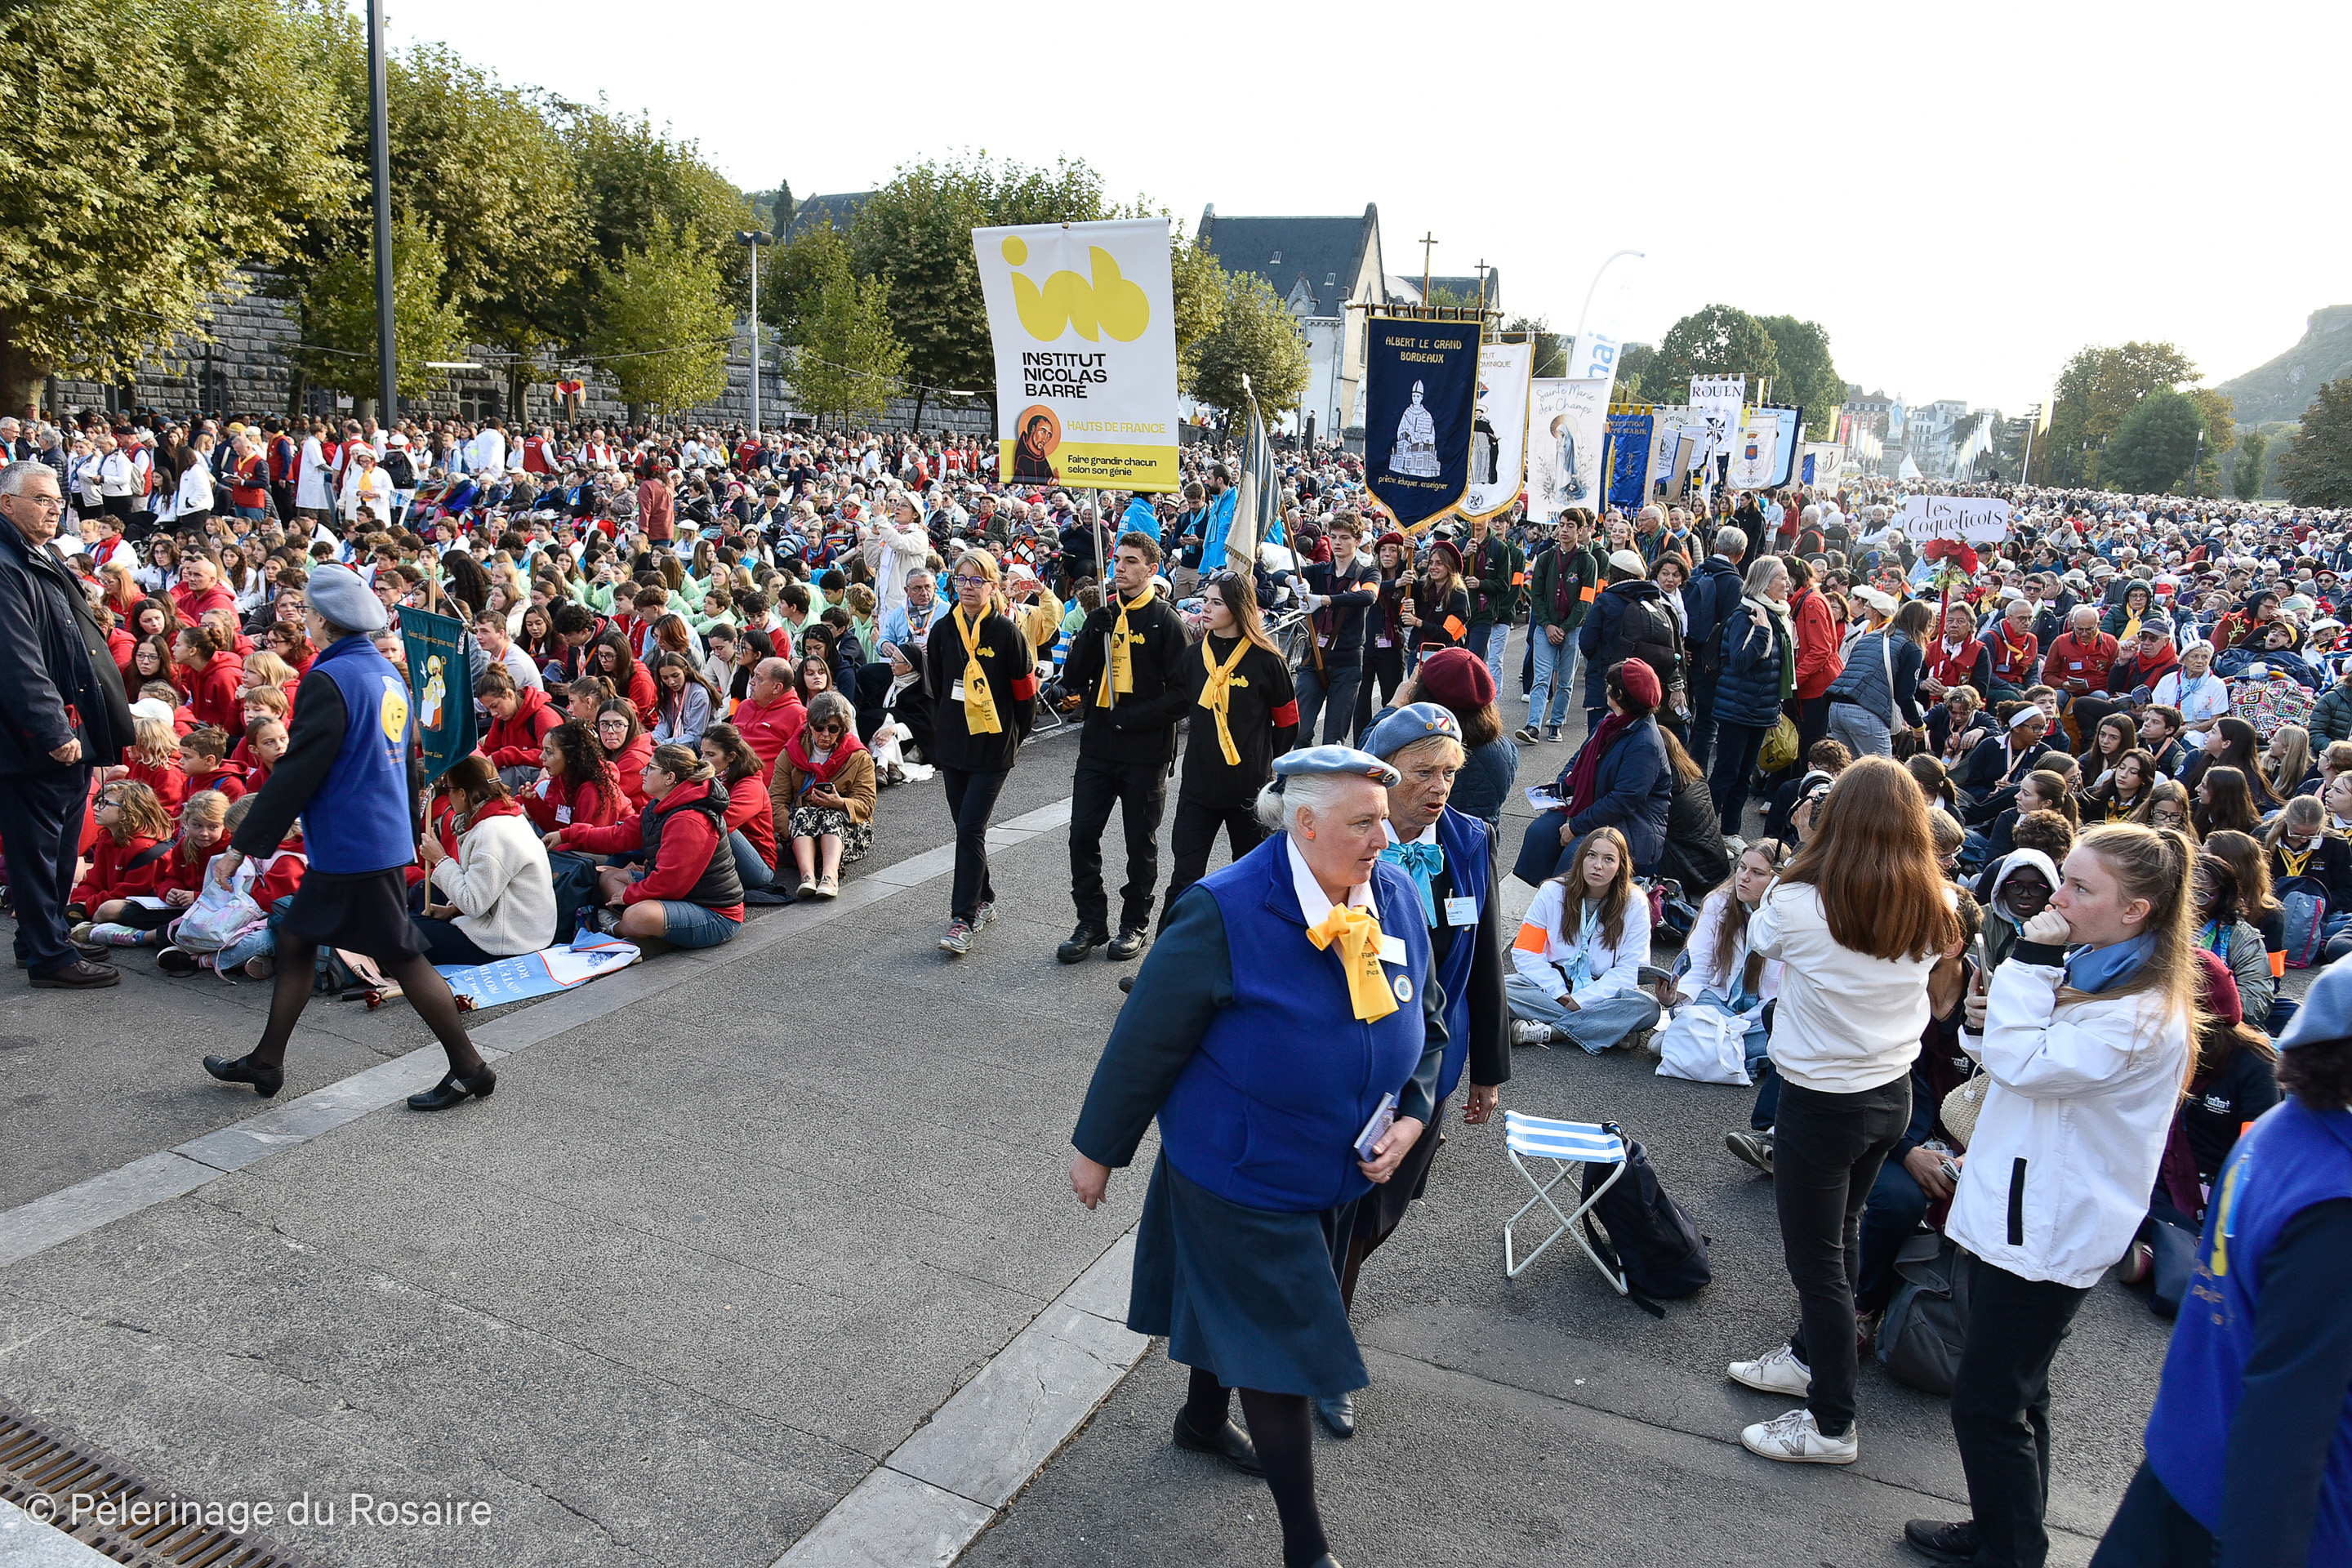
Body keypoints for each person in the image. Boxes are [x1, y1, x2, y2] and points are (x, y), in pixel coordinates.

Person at [1067, 746, 1444, 1568]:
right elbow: (1146, 1039)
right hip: (1243, 1173)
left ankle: (1202, 1421)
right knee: (1279, 1351)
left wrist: (1415, 1113)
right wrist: (1098, 1150)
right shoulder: (1224, 910)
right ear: (1304, 824)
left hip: (1341, 1170)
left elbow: (1432, 1016)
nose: (1385, 839)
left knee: (1240, 1311)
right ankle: (1307, 1549)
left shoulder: (1393, 894)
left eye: (1384, 821)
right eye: (1364, 824)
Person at [1906, 825, 2196, 1568]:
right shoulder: (2100, 969)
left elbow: (2029, 1065)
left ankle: (2011, 1551)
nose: (2058, 899)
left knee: (1989, 1402)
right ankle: (2004, 1531)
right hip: (2022, 1206)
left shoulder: (2139, 1012)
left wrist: (2028, 968)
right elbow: (2020, 1065)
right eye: (2065, 879)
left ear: (2135, 910)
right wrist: (1987, 1025)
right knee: (2018, 1395)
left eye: (2080, 887)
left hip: (2046, 1224)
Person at [1730, 755, 1958, 1467]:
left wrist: (1802, 849)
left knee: (1816, 1263)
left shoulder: (1801, 898)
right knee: (1844, 1234)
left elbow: (1761, 934)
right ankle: (1807, 1359)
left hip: (1822, 1100)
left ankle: (1832, 1423)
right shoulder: (1936, 898)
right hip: (1890, 1093)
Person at [198, 564, 495, 1111]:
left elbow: (298, 769)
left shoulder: (329, 678)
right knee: (297, 940)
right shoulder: (384, 672)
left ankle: (470, 1066)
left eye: (308, 613)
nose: (305, 621)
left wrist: (241, 845)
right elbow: (401, 763)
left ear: (322, 619)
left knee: (401, 956)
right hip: (373, 837)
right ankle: (267, 1059)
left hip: (349, 844)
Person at [2090, 956, 2352, 1568]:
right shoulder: (2336, 1200)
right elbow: (2290, 1413)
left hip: (2181, 1468)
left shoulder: (2281, 1132)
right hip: (2277, 1523)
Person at [1325, 702, 1509, 1437]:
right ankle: (1327, 1356)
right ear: (1384, 773)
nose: (1439, 787)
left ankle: (1320, 1321)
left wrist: (1488, 1067)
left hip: (1431, 1065)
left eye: (1450, 773)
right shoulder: (1344, 833)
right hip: (1344, 1058)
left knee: (1379, 1212)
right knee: (1340, 1208)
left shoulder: (1470, 838)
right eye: (1424, 772)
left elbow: (1484, 958)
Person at [1059, 532, 1190, 964]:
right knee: (1082, 835)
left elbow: (1183, 695)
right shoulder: (1103, 614)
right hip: (1098, 748)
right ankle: (1090, 921)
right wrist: (1089, 632)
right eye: (1118, 559)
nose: (1120, 568)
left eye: (1131, 561)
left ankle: (1134, 922)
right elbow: (1073, 678)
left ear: (1151, 569)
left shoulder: (1166, 621)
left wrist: (1132, 718)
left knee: (1140, 843)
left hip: (1145, 753)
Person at [1163, 569, 1298, 928]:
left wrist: (1269, 770)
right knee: (1184, 879)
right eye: (1205, 601)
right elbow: (1173, 706)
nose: (1205, 609)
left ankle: (1252, 953)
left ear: (1238, 609)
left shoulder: (1267, 660)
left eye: (1216, 603)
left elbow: (1288, 723)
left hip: (1248, 792)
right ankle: (1167, 955)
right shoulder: (1194, 657)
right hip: (1197, 790)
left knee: (1253, 879)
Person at [927, 550, 1036, 956]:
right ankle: (984, 896)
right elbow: (938, 686)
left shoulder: (1007, 633)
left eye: (977, 580)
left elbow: (1026, 697)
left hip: (993, 750)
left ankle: (963, 918)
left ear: (993, 586)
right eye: (961, 579)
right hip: (954, 746)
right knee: (966, 829)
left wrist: (1012, 738)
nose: (968, 588)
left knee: (971, 829)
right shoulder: (944, 630)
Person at [548, 742, 745, 949]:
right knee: (608, 877)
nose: (642, 771)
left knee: (639, 915)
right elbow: (619, 836)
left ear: (670, 778)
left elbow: (669, 884)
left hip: (715, 914)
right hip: (680, 896)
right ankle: (644, 929)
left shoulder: (689, 820)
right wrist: (566, 835)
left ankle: (615, 928)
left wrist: (629, 895)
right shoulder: (661, 805)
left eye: (651, 768)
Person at [1516, 657, 1673, 884]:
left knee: (1577, 856)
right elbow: (1578, 760)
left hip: (1631, 824)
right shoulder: (1611, 721)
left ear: (1620, 695)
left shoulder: (1645, 743)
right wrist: (1561, 789)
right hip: (1597, 804)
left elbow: (1622, 801)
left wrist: (1575, 826)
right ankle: (1549, 894)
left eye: (1610, 685)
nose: (1605, 688)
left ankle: (1567, 898)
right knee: (1540, 834)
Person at [1505, 824, 1663, 1051]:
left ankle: (1551, 1032)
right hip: (1552, 985)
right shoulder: (1551, 892)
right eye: (1591, 856)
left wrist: (1583, 1000)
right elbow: (1526, 951)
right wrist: (1560, 993)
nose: (1598, 865)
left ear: (1620, 867)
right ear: (1581, 859)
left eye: (1609, 859)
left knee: (1648, 1007)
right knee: (1498, 988)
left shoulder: (1635, 903)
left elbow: (1631, 969)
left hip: (1605, 992)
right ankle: (1609, 1028)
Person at [413, 755, 557, 965]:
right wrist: (451, 910)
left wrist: (441, 859)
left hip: (510, 942)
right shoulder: (498, 818)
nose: (447, 795)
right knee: (421, 895)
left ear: (462, 794)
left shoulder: (491, 832)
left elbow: (473, 904)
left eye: (448, 789)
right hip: (512, 928)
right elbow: (487, 887)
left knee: (405, 932)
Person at [1711, 555, 1797, 835]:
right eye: (1782, 578)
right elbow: (1739, 661)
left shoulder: (1777, 614)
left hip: (1760, 710)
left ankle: (1730, 833)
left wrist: (1775, 706)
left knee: (1743, 778)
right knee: (1726, 775)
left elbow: (1776, 669)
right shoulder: (1747, 615)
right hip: (1737, 709)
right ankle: (1705, 832)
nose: (1788, 583)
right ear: (1764, 582)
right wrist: (1761, 633)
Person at [769, 690, 875, 899]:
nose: (825, 734)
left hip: (847, 830)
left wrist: (840, 802)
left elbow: (866, 803)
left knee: (830, 814)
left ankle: (830, 876)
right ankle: (807, 877)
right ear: (809, 726)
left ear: (842, 729)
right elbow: (776, 800)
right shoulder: (791, 753)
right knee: (803, 813)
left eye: (833, 729)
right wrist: (790, 831)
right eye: (819, 728)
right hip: (799, 832)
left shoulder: (859, 756)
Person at [1825, 598, 1935, 760]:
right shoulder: (1910, 647)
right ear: (1922, 625)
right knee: (1881, 771)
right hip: (1866, 711)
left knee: (1848, 770)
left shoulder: (1869, 637)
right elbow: (1904, 696)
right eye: (1930, 626)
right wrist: (1918, 726)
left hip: (1836, 707)